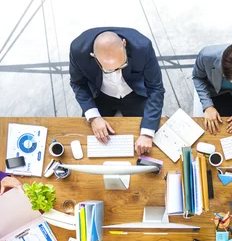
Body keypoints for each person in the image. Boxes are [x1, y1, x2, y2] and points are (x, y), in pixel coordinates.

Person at [69, 27, 165, 155]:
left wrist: (147, 133)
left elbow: (156, 88)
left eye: (122, 65)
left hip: (135, 93)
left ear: (124, 44)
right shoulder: (78, 51)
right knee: (89, 143)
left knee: (152, 141)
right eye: (109, 70)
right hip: (100, 95)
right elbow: (78, 83)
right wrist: (94, 117)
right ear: (94, 56)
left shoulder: (143, 47)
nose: (118, 71)